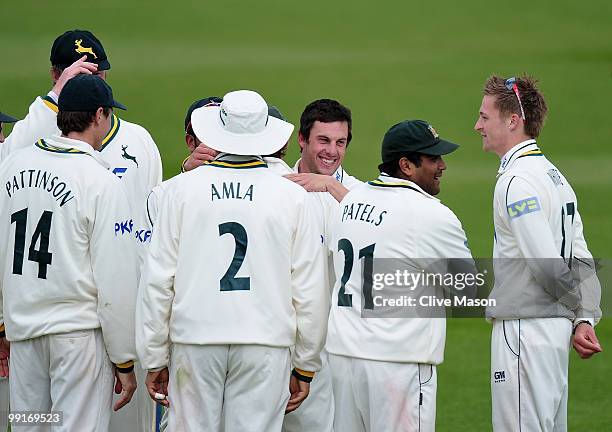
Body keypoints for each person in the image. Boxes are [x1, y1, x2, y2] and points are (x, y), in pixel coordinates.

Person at [137, 90, 329, 431]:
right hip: (265, 342)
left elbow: (158, 279)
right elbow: (310, 288)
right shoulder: (293, 195)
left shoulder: (180, 190)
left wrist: (153, 357)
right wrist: (305, 365)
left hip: (195, 339)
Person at [4, 29, 163, 431]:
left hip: (25, 335)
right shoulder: (99, 179)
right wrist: (124, 357)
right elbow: (114, 275)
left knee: (29, 424)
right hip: (77, 339)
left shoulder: (12, 167)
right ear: (99, 115)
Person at [325, 119, 474, 432]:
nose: (442, 165)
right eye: (433, 159)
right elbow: (469, 293)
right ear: (406, 165)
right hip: (397, 364)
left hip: (342, 360)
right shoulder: (431, 214)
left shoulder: (350, 201)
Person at [474, 75, 602, 431]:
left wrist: (577, 312)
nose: (477, 125)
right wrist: (584, 319)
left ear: (513, 120)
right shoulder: (555, 177)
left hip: (524, 332)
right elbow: (582, 257)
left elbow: (546, 266)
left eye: (485, 117)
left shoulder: (517, 181)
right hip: (552, 335)